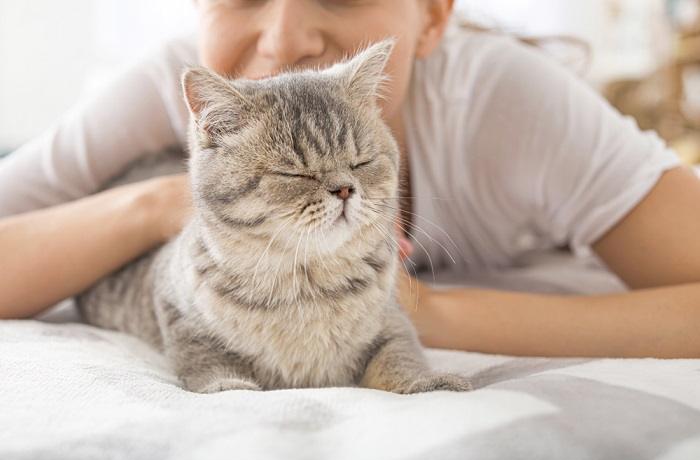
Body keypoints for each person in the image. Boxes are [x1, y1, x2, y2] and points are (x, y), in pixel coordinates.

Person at [1, 0, 699, 358]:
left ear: (430, 18)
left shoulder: (503, 103)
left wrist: (426, 314)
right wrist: (164, 204)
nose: (282, 42)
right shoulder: (186, 84)